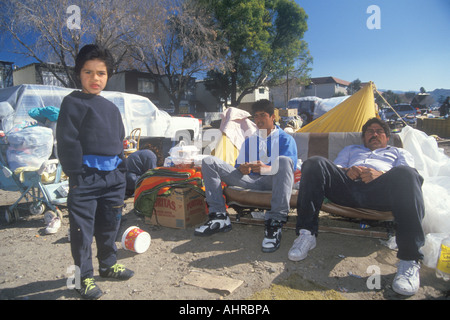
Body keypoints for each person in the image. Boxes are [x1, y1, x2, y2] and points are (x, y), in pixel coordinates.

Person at [288, 117, 425, 296]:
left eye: (379, 132)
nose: (374, 134)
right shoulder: (351, 149)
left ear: (387, 137)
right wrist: (347, 171)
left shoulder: (398, 152)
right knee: (314, 163)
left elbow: (409, 176)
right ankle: (306, 234)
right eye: (369, 132)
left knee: (407, 174)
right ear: (363, 137)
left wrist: (380, 174)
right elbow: (335, 169)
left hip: (381, 191)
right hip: (348, 188)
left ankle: (409, 258)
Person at [56, 44, 134, 300]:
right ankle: (81, 279)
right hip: (85, 180)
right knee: (82, 231)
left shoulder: (111, 108)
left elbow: (119, 140)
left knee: (109, 225)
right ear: (79, 73)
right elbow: (67, 141)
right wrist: (76, 175)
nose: (94, 78)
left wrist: (120, 172)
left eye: (101, 73)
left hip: (113, 180)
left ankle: (109, 266)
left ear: (108, 75)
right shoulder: (72, 103)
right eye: (88, 72)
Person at [195, 99, 298, 253]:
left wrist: (266, 168)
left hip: (273, 181)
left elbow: (289, 169)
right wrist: (243, 168)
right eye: (255, 117)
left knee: (283, 160)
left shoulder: (285, 139)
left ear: (272, 117)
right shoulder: (251, 140)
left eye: (262, 115)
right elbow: (238, 166)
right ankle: (219, 216)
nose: (258, 120)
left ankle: (275, 221)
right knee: (209, 161)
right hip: (250, 180)